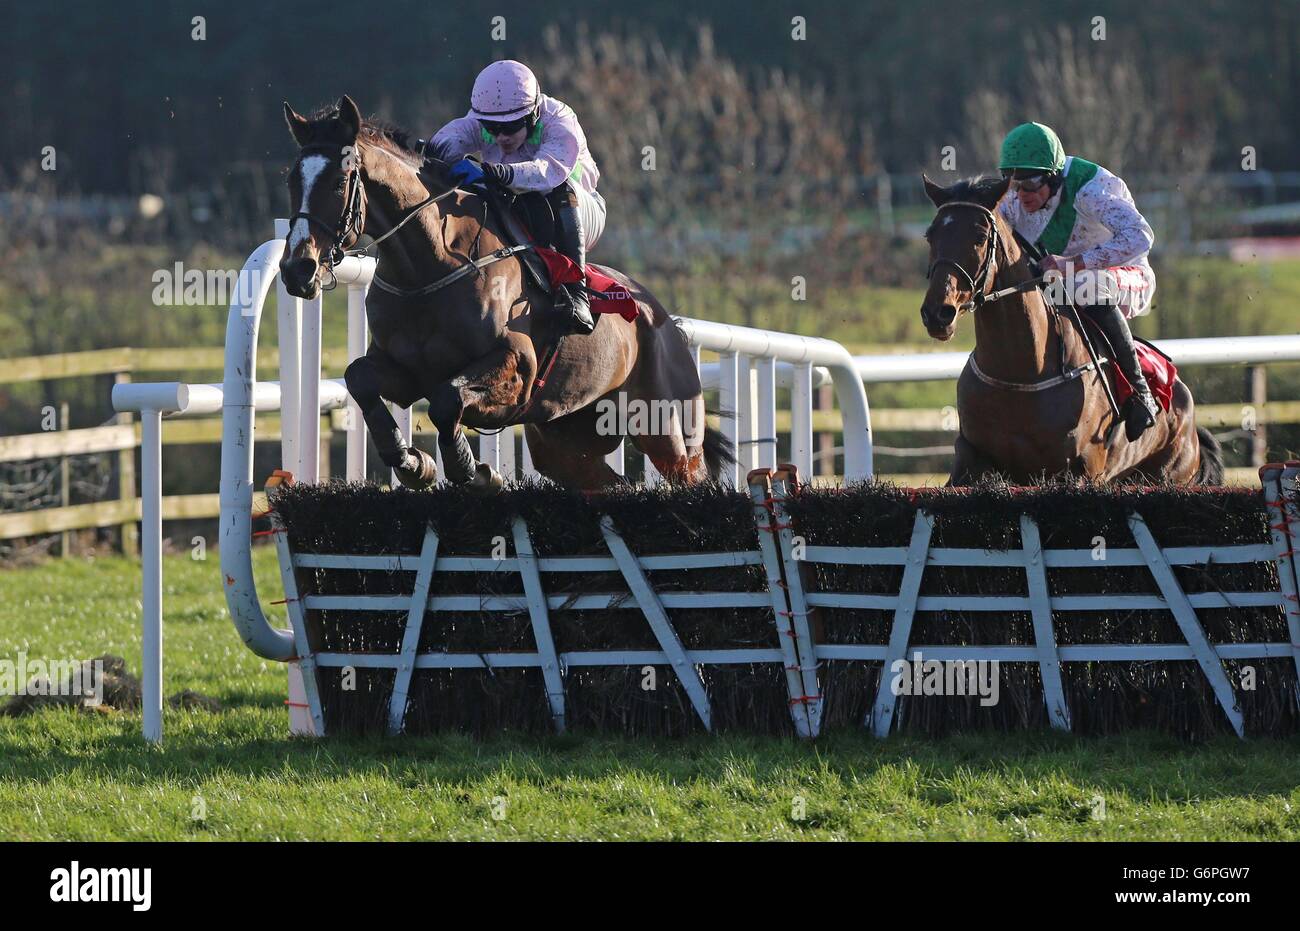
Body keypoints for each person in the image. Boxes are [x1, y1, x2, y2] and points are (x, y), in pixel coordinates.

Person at [997, 122, 1160, 440]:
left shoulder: (1090, 191)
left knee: (1087, 285)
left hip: (1129, 276)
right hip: (1064, 281)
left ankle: (1141, 395)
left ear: (1053, 177)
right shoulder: (1018, 197)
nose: (1021, 195)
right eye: (1014, 184)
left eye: (1029, 185)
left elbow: (1141, 236)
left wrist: (1074, 263)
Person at [429, 60, 605, 334]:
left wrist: (494, 173)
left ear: (533, 115)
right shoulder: (490, 118)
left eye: (510, 128)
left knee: (561, 190)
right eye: (491, 128)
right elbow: (454, 135)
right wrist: (433, 154)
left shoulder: (559, 120)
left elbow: (548, 173)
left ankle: (578, 294)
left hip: (578, 208)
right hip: (520, 206)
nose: (501, 137)